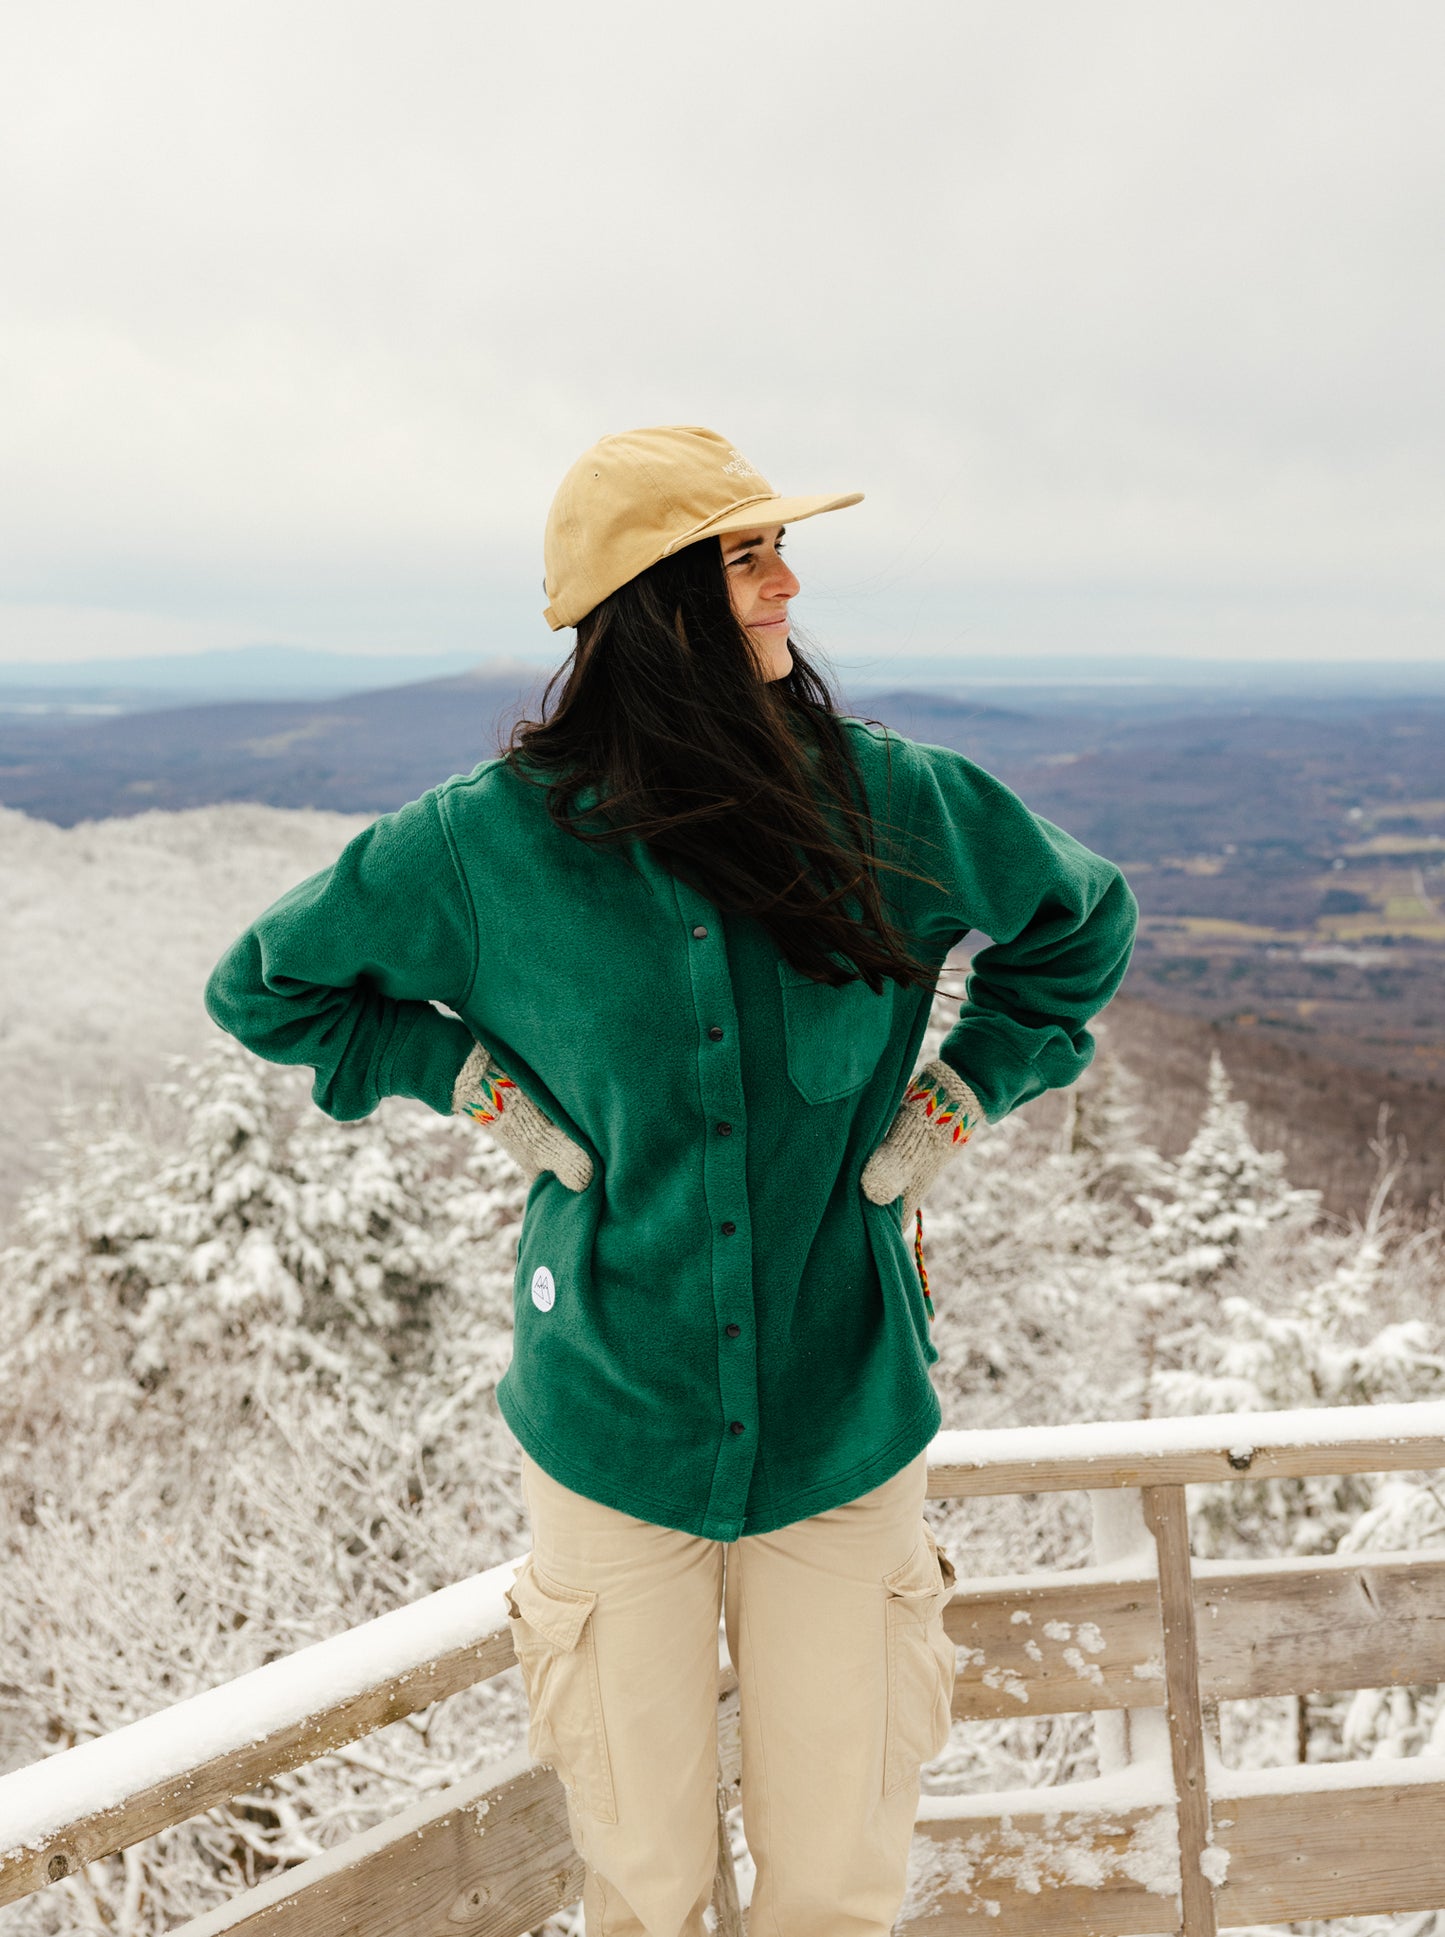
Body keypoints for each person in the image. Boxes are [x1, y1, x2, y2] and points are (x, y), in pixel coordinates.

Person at [203, 423, 1138, 1936]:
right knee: (642, 1885)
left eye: (773, 550)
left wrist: (966, 1090)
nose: (786, 584)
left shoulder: (899, 807)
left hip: (844, 1420)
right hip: (608, 1428)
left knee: (833, 1885)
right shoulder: (482, 845)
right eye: (745, 558)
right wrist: (461, 1076)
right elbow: (269, 988)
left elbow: (1078, 927)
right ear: (658, 610)